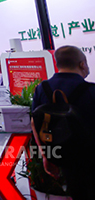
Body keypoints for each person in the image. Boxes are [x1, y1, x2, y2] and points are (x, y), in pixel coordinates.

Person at [32, 46, 95, 200]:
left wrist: (46, 155)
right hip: (90, 158)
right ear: (82, 64)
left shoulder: (42, 89)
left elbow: (34, 123)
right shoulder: (91, 90)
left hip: (63, 157)